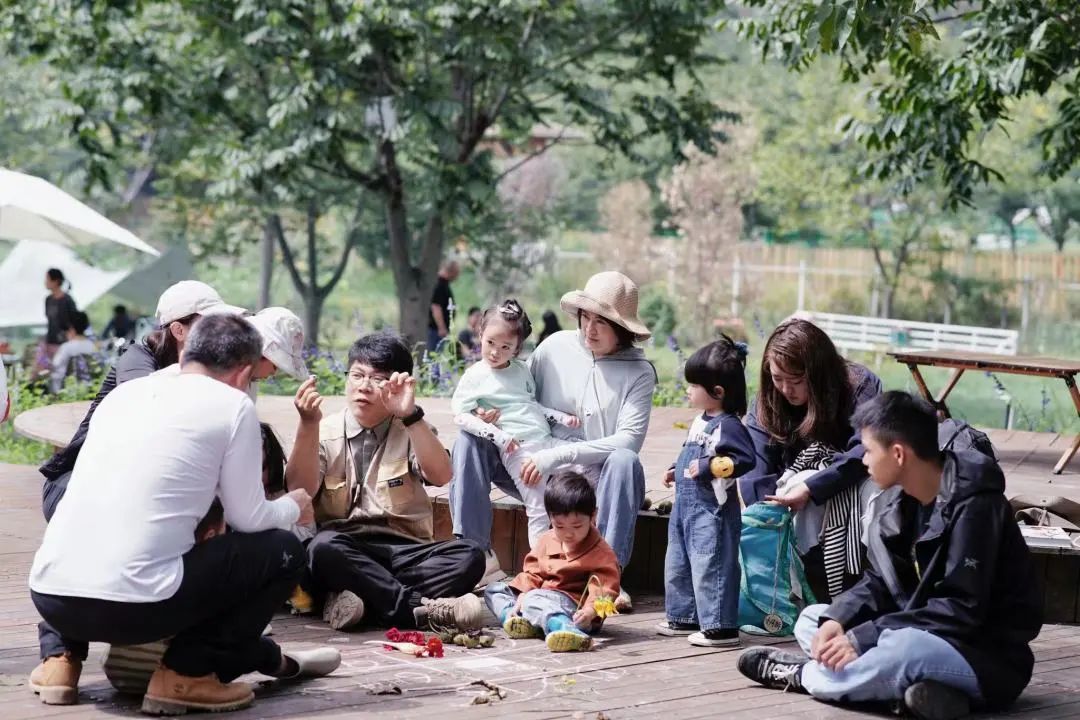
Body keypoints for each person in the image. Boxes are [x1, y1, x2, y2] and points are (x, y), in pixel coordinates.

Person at [28, 315, 340, 713]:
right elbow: (249, 518)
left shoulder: (125, 396)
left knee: (101, 529)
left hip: (51, 598)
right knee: (281, 549)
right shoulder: (232, 405)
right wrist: (292, 506)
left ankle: (59, 663)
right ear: (244, 372)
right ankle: (187, 673)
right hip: (132, 607)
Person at [738, 391, 1043, 720]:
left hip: (986, 657)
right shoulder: (899, 504)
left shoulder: (976, 507)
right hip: (917, 632)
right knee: (814, 619)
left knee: (906, 649)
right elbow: (880, 581)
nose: (864, 460)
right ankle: (914, 693)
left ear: (898, 454)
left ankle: (804, 676)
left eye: (868, 451)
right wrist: (839, 619)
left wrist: (864, 638)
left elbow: (959, 610)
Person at [451, 271, 655, 610]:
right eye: (585, 318)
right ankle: (474, 557)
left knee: (625, 461)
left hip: (592, 476)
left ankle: (607, 579)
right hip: (531, 465)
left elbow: (628, 440)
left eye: (601, 323)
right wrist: (487, 412)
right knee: (467, 440)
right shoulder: (554, 347)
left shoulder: (639, 373)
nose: (589, 329)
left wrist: (558, 457)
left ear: (622, 328)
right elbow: (519, 398)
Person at [286, 333, 486, 633]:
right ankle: (414, 610)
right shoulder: (321, 429)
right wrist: (307, 424)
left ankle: (359, 601)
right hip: (344, 548)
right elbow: (298, 490)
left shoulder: (412, 427)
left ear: (397, 383)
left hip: (403, 552)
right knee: (322, 548)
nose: (364, 386)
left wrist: (411, 415)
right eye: (357, 375)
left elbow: (442, 476)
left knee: (468, 556)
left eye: (377, 378)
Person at [38, 280, 246, 520]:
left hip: (126, 485)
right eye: (211, 325)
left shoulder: (205, 370)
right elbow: (145, 407)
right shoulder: (138, 358)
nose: (222, 333)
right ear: (179, 330)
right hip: (73, 486)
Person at [744, 318, 882, 601]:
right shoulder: (764, 403)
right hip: (793, 492)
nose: (785, 389)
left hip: (855, 477)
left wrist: (813, 487)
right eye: (776, 378)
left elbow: (865, 449)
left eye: (796, 381)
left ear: (819, 374)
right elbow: (755, 466)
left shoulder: (859, 385)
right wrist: (769, 511)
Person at [452, 299, 591, 546]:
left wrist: (560, 418)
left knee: (590, 468)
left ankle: (595, 545)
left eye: (506, 347)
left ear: (517, 348)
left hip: (546, 441)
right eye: (490, 343)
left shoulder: (522, 370)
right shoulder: (475, 375)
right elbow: (460, 415)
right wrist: (497, 435)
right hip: (519, 449)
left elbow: (529, 405)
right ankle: (539, 566)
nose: (496, 351)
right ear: (480, 334)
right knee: (538, 507)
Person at [656, 337, 756, 648]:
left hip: (711, 510)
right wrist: (677, 468)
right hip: (685, 506)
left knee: (710, 563)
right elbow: (691, 452)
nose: (688, 390)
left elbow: (744, 459)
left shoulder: (729, 425)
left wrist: (711, 465)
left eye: (693, 385)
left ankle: (720, 626)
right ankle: (685, 615)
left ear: (717, 392)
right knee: (679, 559)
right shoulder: (701, 421)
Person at [484, 470, 620, 653]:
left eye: (577, 526)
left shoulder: (601, 551)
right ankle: (515, 617)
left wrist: (589, 612)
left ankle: (566, 628)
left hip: (576, 610)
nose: (569, 533)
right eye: (560, 526)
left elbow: (605, 589)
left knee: (534, 600)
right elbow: (533, 572)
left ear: (593, 516)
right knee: (493, 590)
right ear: (550, 518)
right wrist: (523, 593)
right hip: (541, 597)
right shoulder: (547, 540)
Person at [48, 311, 96, 393]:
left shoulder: (66, 347)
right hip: (90, 390)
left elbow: (56, 367)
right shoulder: (92, 346)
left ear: (71, 329)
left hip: (68, 392)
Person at [43, 268, 79, 354]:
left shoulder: (67, 300)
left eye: (47, 279)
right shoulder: (48, 300)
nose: (45, 282)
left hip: (65, 343)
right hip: (51, 341)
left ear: (55, 281)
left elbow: (75, 322)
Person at [428, 259, 460, 351]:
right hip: (435, 330)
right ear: (452, 271)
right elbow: (436, 307)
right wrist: (441, 328)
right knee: (434, 358)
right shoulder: (439, 285)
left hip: (437, 330)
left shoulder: (443, 284)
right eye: (457, 273)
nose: (457, 277)